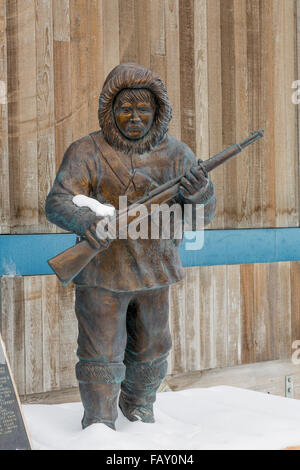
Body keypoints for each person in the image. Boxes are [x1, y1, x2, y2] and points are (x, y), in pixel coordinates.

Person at [45, 63, 216, 430]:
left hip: (156, 272)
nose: (135, 117)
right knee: (100, 354)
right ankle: (100, 425)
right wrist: (90, 222)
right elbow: (58, 201)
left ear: (158, 111)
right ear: (110, 110)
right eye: (126, 108)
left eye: (144, 109)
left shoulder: (177, 154)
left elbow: (203, 216)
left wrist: (200, 194)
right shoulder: (86, 151)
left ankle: (140, 415)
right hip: (102, 272)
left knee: (153, 350)